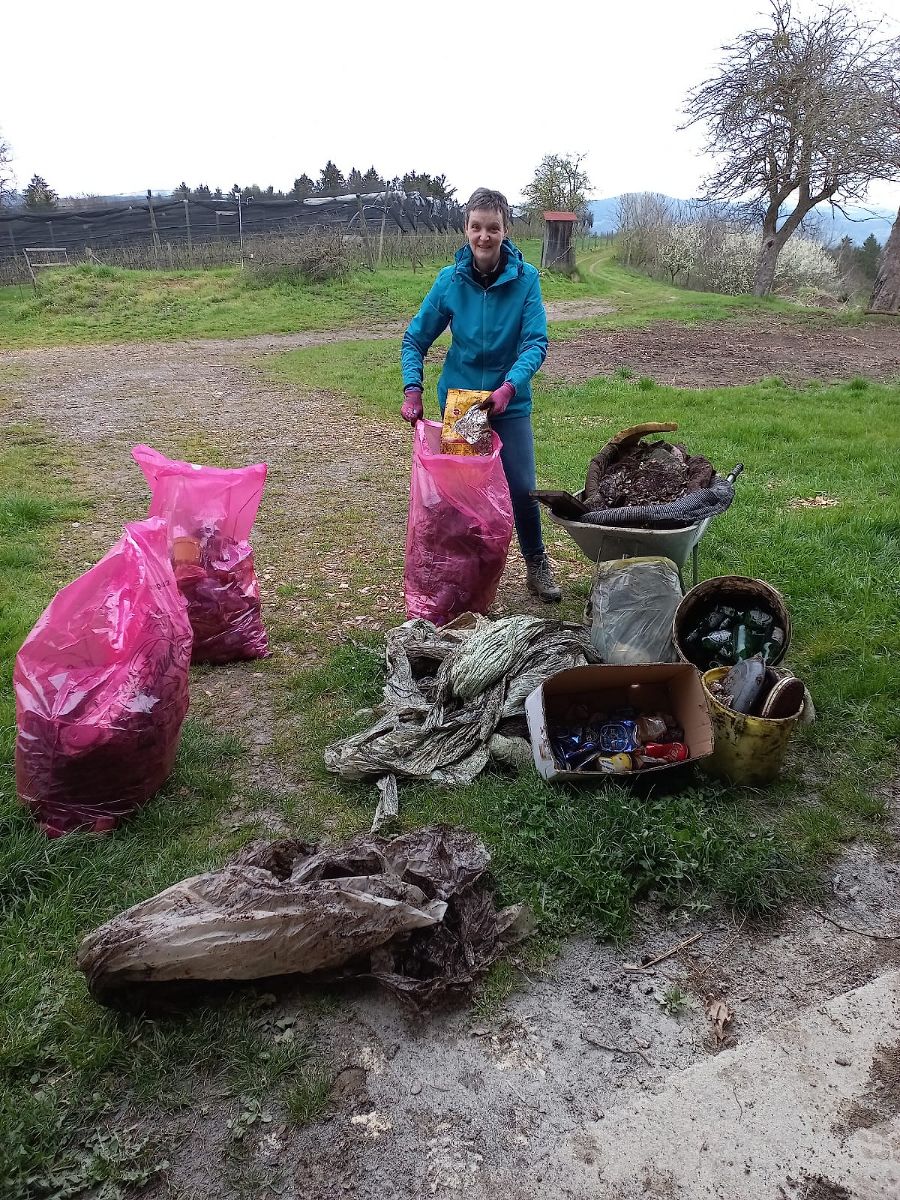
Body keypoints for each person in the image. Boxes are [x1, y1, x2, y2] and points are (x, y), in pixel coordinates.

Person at [399, 187, 561, 603]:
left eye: (493, 227)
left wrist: (509, 386)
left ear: (506, 229)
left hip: (508, 402)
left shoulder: (526, 281)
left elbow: (535, 344)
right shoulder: (450, 281)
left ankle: (536, 562)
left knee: (522, 487)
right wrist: (412, 388)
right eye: (476, 227)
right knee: (462, 495)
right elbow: (415, 339)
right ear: (466, 229)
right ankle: (463, 573)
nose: (484, 236)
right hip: (464, 404)